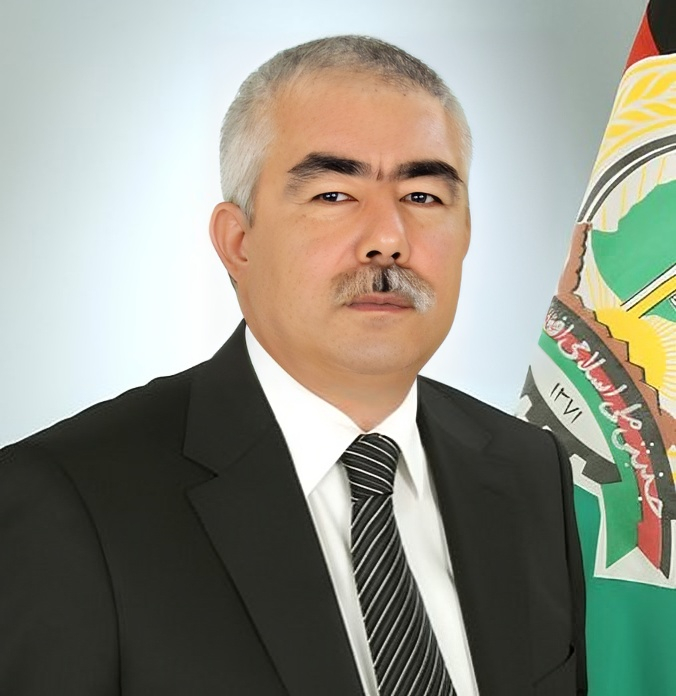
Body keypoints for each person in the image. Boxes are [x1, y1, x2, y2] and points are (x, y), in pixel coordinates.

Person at [0, 36, 586, 696]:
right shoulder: (65, 502)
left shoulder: (531, 471)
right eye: (334, 195)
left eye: (423, 196)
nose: (388, 239)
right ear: (238, 242)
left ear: (467, 233)